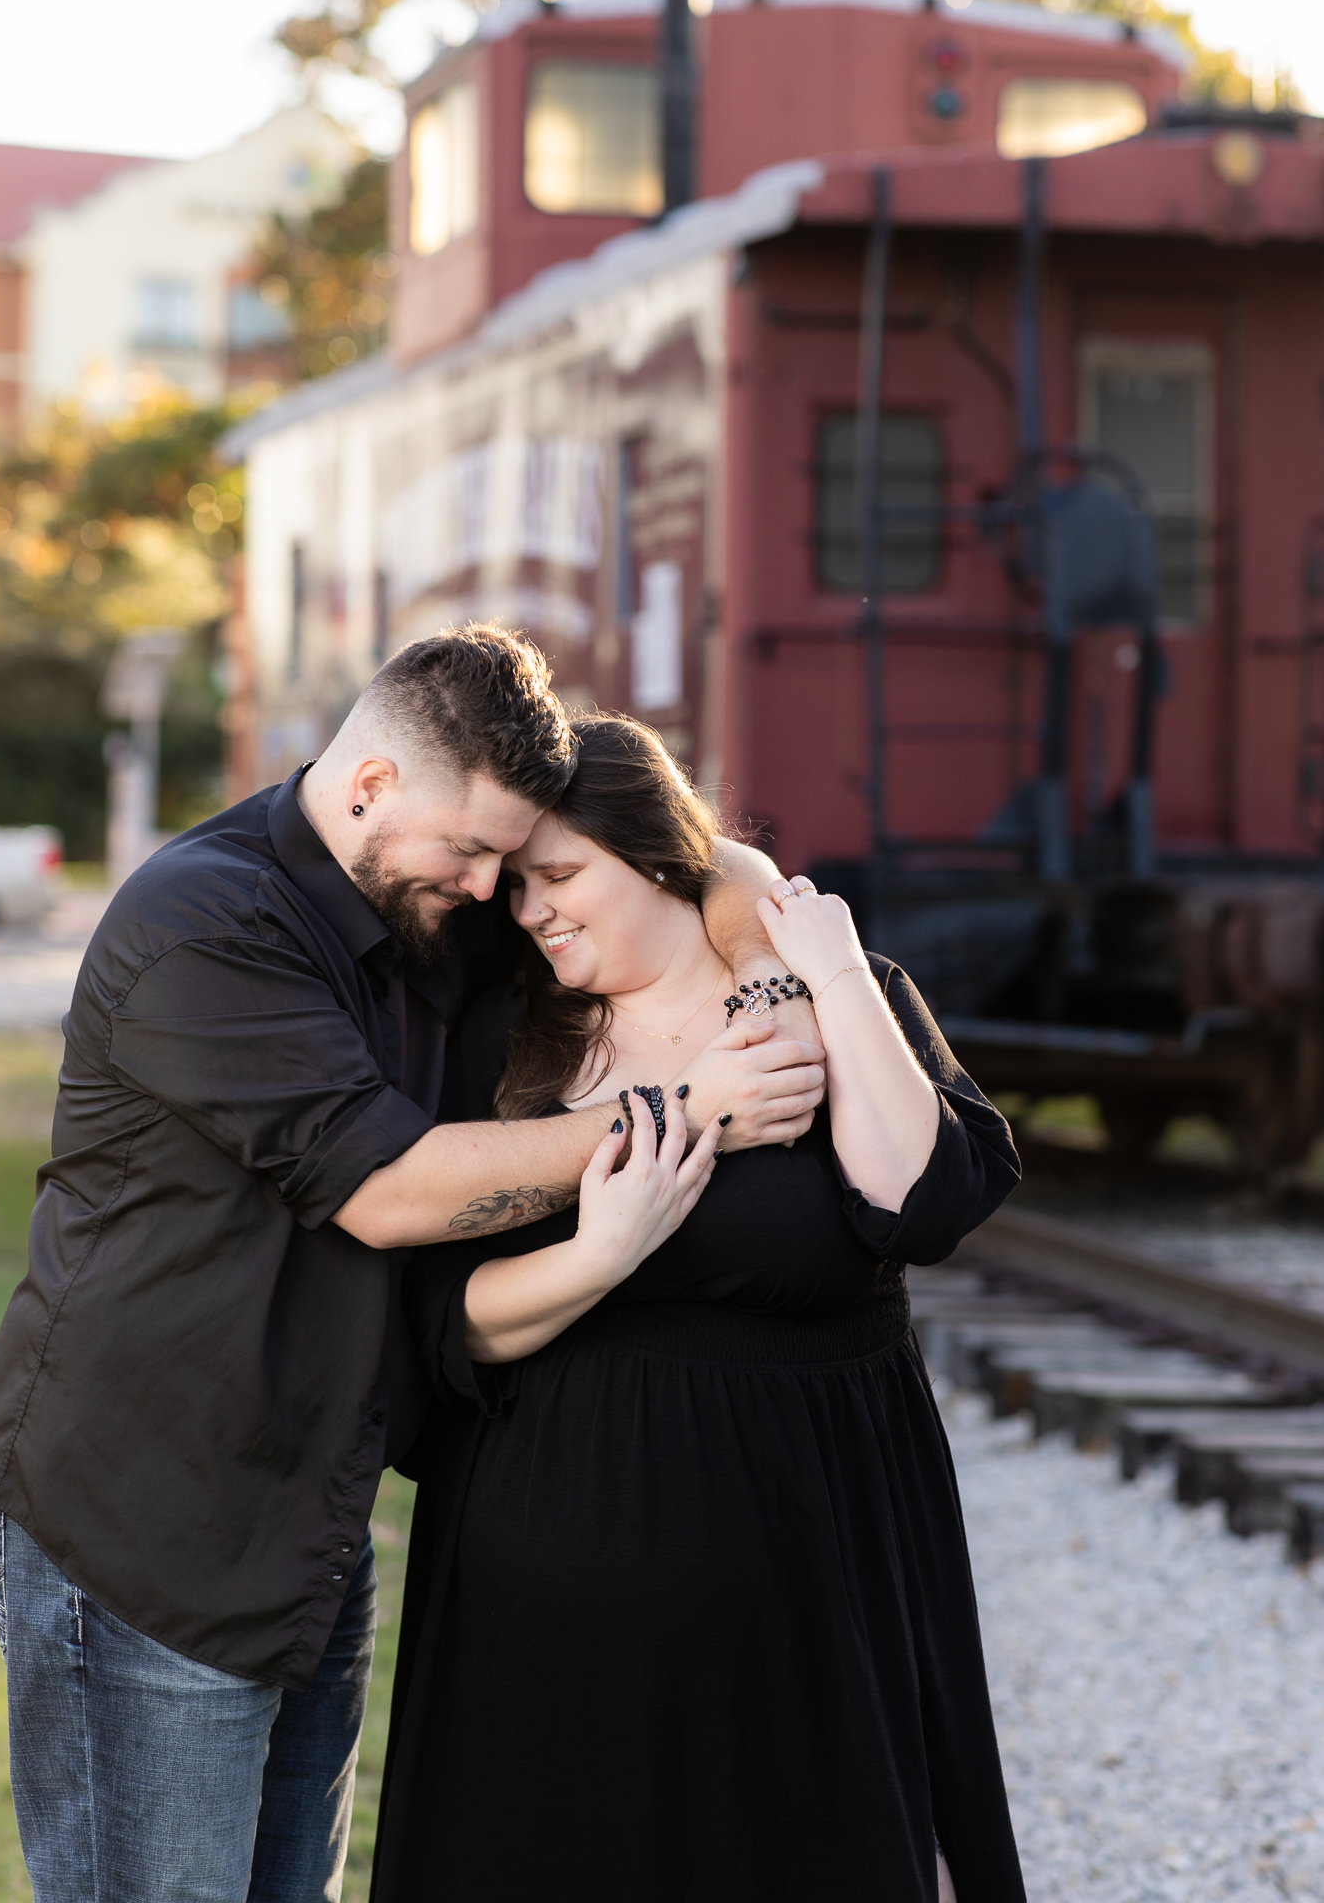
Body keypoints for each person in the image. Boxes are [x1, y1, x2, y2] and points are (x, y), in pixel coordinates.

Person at [0, 629, 825, 1903]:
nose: (491, 892)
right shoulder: (203, 922)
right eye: (470, 851)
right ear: (368, 787)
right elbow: (384, 1190)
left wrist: (765, 971)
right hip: (141, 1525)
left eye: (507, 859)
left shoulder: (427, 899)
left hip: (308, 1526)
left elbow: (698, 856)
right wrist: (692, 1103)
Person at [371, 713, 1026, 1903]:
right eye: (516, 884)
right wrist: (604, 1252)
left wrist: (821, 962)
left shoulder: (835, 998)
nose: (531, 910)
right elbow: (446, 1320)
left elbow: (920, 1200)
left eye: (560, 875)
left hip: (813, 1558)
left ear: (665, 857)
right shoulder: (510, 1040)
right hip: (550, 1591)